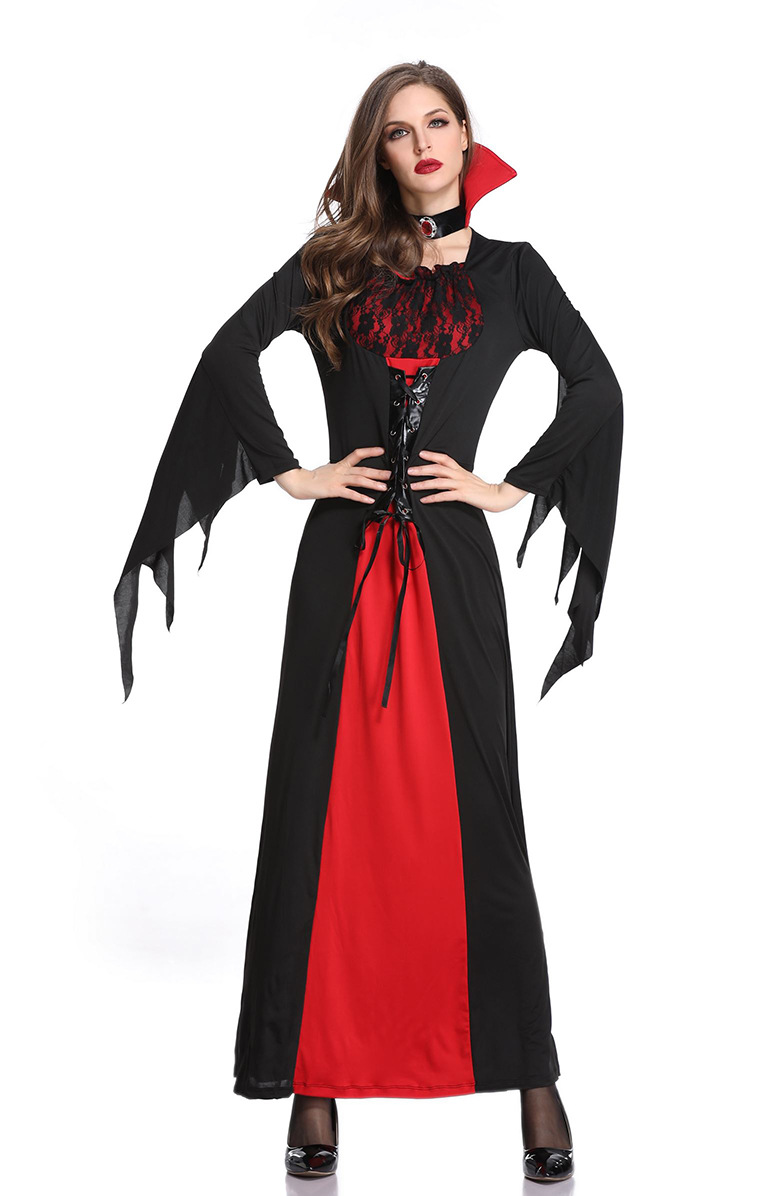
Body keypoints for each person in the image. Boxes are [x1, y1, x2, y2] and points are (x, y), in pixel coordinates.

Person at [114, 61, 623, 1184]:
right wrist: (289, 470)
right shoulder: (335, 265)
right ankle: (315, 1081)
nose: (424, 143)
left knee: (482, 816)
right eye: (399, 131)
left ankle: (532, 1077)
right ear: (377, 153)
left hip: (451, 573)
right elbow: (224, 354)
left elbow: (597, 388)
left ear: (465, 136)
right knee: (318, 811)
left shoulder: (515, 274)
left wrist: (508, 485)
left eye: (439, 122)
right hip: (342, 569)